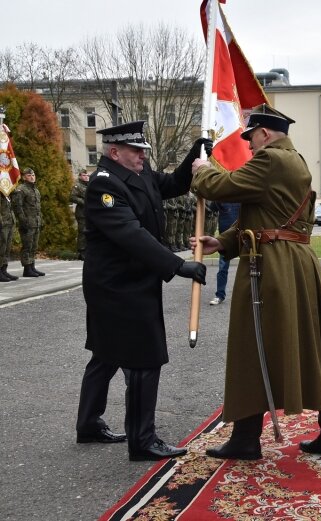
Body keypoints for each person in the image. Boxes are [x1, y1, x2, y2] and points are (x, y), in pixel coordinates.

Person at [190, 104, 321, 461]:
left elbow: (224, 186)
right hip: (295, 261)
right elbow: (263, 214)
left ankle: (246, 439)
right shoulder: (296, 160)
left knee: (251, 345)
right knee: (314, 347)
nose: (248, 146)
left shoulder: (271, 160)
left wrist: (200, 170)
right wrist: (225, 242)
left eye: (250, 138)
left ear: (263, 133)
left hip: (271, 264)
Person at [75, 121, 209, 462]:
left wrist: (198, 151)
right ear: (115, 152)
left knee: (106, 354)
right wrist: (178, 265)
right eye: (136, 151)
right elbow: (131, 234)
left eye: (144, 151)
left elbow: (176, 183)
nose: (142, 156)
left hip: (131, 281)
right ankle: (143, 440)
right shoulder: (103, 186)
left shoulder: (140, 173)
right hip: (117, 286)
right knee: (144, 360)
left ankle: (88, 423)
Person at [11, 167, 44, 277]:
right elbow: (18, 207)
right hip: (27, 223)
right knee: (27, 246)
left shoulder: (35, 190)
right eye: (29, 175)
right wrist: (23, 221)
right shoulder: (21, 190)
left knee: (34, 246)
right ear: (24, 177)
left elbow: (38, 208)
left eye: (33, 175)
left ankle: (32, 266)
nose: (32, 177)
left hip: (36, 222)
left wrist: (41, 220)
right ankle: (27, 268)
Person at [209, 201, 240, 305]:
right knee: (222, 268)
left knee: (249, 266)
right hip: (224, 240)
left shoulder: (241, 194)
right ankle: (219, 295)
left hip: (242, 236)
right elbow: (212, 207)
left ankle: (250, 296)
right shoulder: (221, 194)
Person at [70, 169, 90, 260]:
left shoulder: (89, 185)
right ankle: (81, 252)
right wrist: (83, 201)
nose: (86, 177)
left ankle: (88, 250)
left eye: (87, 175)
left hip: (90, 212)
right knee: (82, 232)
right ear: (80, 176)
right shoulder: (77, 186)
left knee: (89, 232)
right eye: (84, 175)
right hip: (82, 213)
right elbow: (72, 197)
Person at [0, 193, 17, 282]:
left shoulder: (7, 194)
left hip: (10, 223)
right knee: (1, 248)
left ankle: (4, 270)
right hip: (3, 224)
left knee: (7, 248)